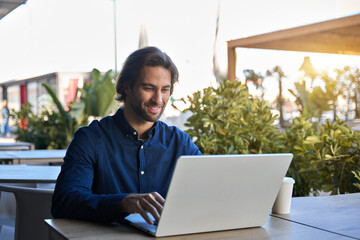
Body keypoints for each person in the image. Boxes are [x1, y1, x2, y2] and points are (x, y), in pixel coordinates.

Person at [51, 47, 201, 225]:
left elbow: (207, 191)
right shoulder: (90, 139)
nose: (158, 99)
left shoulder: (180, 143)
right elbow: (65, 202)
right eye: (149, 88)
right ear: (126, 87)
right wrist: (122, 203)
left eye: (165, 90)